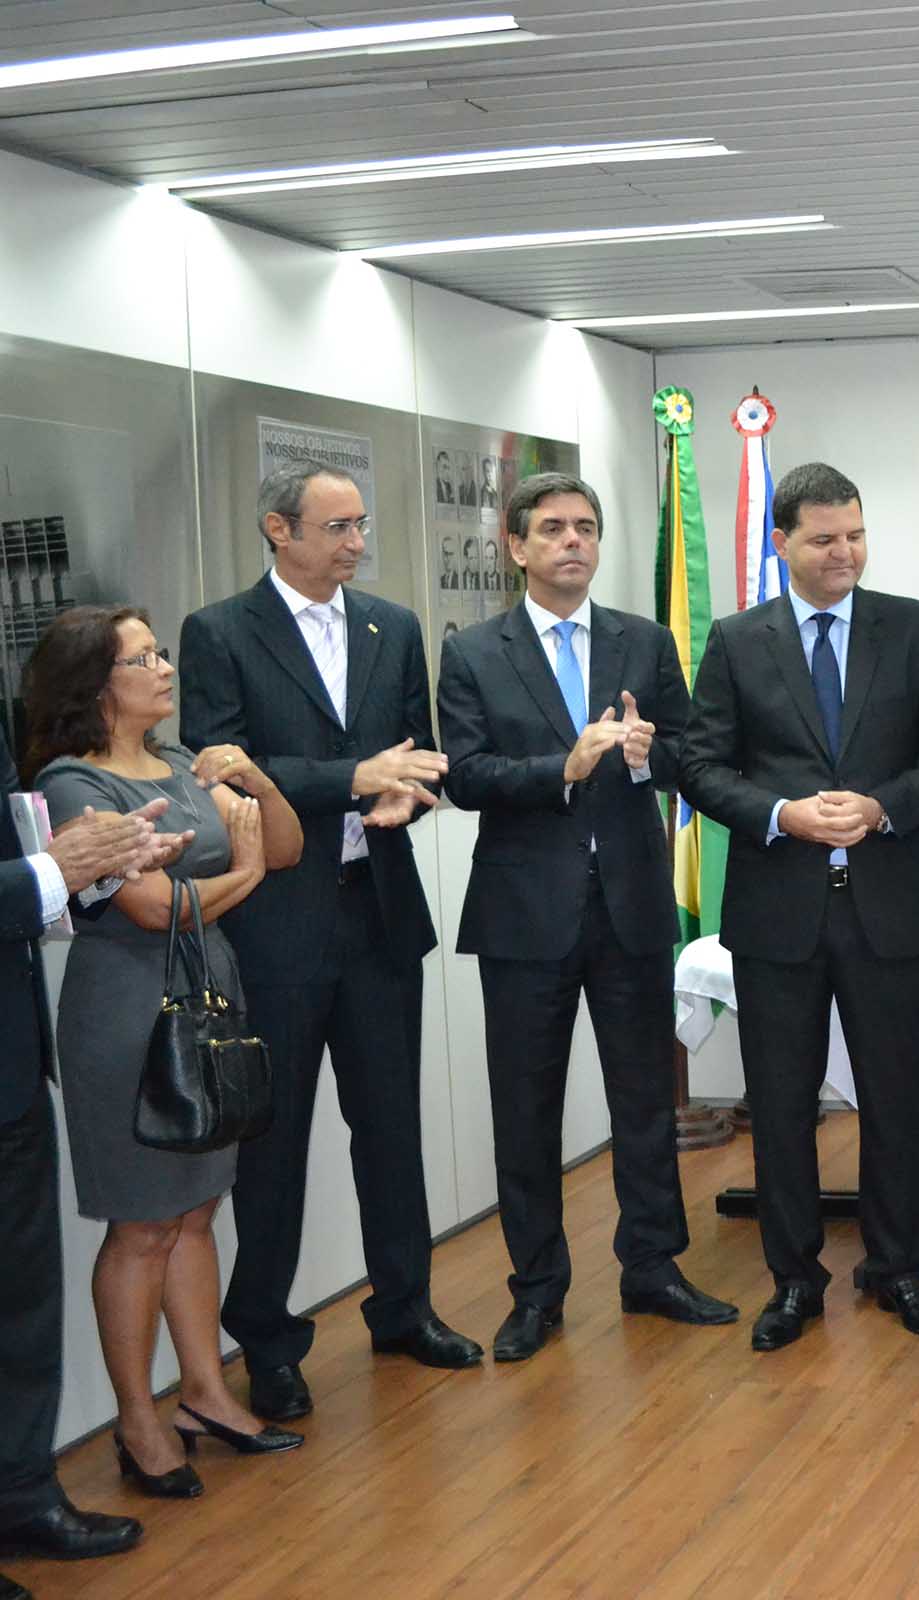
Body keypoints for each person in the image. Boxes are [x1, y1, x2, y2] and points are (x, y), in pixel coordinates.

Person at [180, 460, 482, 1424]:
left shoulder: (391, 626)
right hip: (275, 925)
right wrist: (354, 776)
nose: (357, 542)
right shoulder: (220, 632)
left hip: (380, 912)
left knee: (393, 1130)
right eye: (338, 526)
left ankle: (405, 1308)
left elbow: (416, 753)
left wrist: (405, 792)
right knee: (274, 1145)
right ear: (279, 529)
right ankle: (266, 1339)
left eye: (363, 524)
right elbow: (226, 770)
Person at [438, 472, 736, 1362]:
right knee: (524, 1111)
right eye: (554, 528)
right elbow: (462, 775)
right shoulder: (474, 653)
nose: (573, 541)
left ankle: (652, 1268)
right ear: (516, 546)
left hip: (632, 906)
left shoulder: (642, 641)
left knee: (644, 1099)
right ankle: (536, 1291)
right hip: (524, 915)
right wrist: (560, 769)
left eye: (586, 528)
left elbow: (689, 754)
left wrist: (649, 760)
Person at [25, 607, 306, 1497]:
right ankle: (138, 1423)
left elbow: (287, 845)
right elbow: (147, 908)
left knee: (195, 1210)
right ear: (96, 684)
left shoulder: (184, 765)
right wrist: (245, 875)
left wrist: (256, 782)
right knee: (141, 1224)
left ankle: (205, 1395)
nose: (163, 665)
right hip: (126, 1014)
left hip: (207, 995)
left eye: (159, 650)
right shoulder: (75, 782)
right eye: (141, 656)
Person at [683, 462, 919, 1352]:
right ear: (782, 543)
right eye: (823, 539)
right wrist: (779, 814)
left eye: (855, 535)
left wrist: (882, 808)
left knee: (895, 1100)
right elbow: (698, 764)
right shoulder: (736, 641)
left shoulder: (911, 628)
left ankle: (899, 1269)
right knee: (780, 1103)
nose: (844, 553)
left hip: (889, 904)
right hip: (778, 912)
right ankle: (794, 1281)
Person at [1, 756, 163, 1579]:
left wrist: (91, 872)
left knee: (24, 1312)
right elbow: (28, 873)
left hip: (13, 1066)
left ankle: (25, 1500)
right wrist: (45, 874)